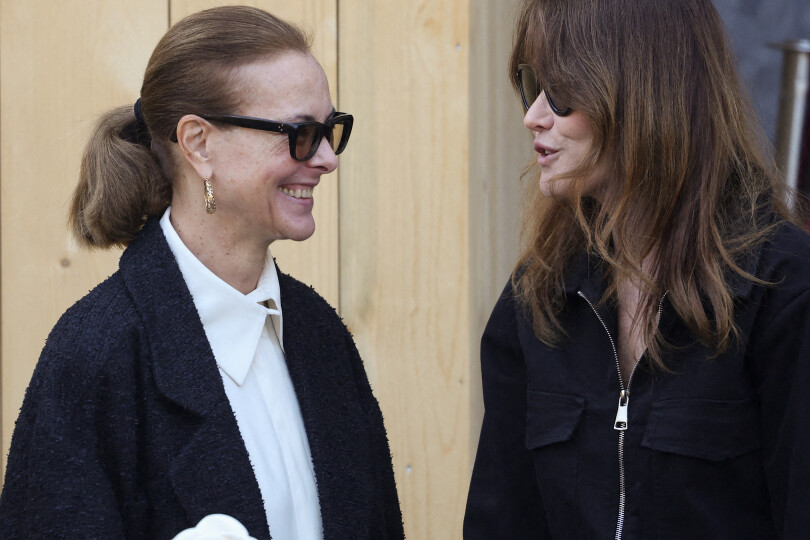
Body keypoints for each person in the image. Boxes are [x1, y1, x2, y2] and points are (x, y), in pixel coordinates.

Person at [0, 6, 403, 540]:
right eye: (301, 133)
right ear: (198, 143)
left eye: (330, 130)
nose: (327, 158)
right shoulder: (96, 356)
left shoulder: (320, 334)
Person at [464, 0, 810, 538]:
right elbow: (501, 520)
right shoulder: (537, 296)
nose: (532, 114)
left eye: (559, 87)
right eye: (529, 83)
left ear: (642, 91)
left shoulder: (783, 286)